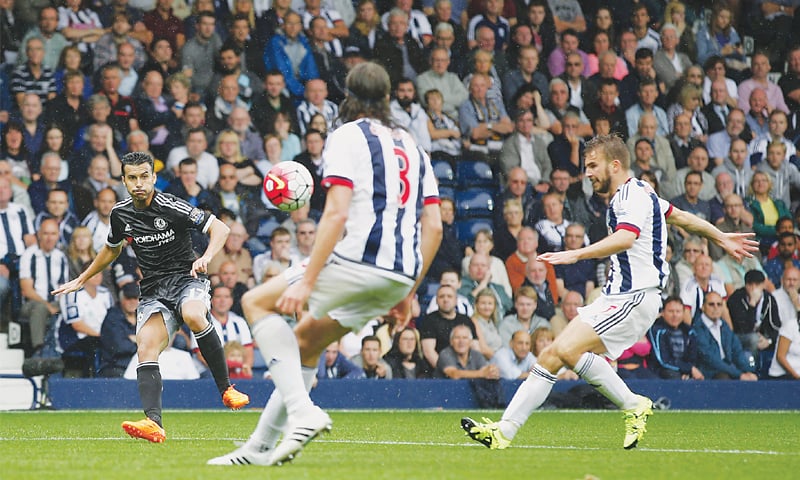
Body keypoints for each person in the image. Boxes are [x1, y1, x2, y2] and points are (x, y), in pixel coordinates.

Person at [206, 62, 442, 466]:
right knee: (305, 343)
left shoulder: (347, 135)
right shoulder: (414, 146)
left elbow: (334, 214)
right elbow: (434, 226)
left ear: (348, 96)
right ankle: (259, 449)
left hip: (358, 259)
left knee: (256, 302)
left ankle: (303, 412)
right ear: (387, 98)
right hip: (401, 272)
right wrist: (410, 291)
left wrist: (307, 279)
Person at [461, 134, 757, 451]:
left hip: (634, 297)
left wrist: (575, 254)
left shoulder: (630, 196)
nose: (587, 173)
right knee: (559, 354)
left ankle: (510, 431)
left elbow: (625, 238)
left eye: (592, 166)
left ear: (614, 165)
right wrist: (720, 236)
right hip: (619, 296)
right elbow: (682, 217)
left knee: (560, 352)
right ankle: (511, 430)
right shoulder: (643, 192)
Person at [53, 151, 249, 444]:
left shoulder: (172, 205)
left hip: (187, 279)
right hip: (154, 290)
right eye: (132, 178)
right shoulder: (120, 214)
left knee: (194, 314)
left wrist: (206, 256)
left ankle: (226, 388)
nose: (139, 183)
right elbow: (112, 248)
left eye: (145, 176)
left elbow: (220, 228)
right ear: (123, 181)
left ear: (154, 177)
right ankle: (153, 423)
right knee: (145, 346)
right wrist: (82, 278)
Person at [693, 292, 759, 381]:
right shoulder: (697, 328)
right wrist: (739, 374)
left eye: (719, 305)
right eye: (711, 304)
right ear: (703, 307)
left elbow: (737, 351)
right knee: (725, 378)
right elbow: (711, 360)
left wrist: (747, 372)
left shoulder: (724, 326)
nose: (716, 308)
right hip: (709, 373)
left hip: (729, 369)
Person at [647, 296, 703, 380]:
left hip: (685, 371)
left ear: (683, 313)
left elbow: (693, 358)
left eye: (678, 311)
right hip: (661, 372)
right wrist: (688, 369)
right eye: (671, 311)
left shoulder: (689, 332)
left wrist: (688, 372)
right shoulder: (656, 330)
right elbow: (662, 360)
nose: (675, 315)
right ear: (663, 312)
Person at [97, 282, 140, 378]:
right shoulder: (112, 318)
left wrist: (134, 340)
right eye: (129, 298)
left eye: (136, 298)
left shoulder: (144, 316)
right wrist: (142, 343)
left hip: (139, 365)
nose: (132, 301)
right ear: (121, 299)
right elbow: (120, 347)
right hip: (116, 366)